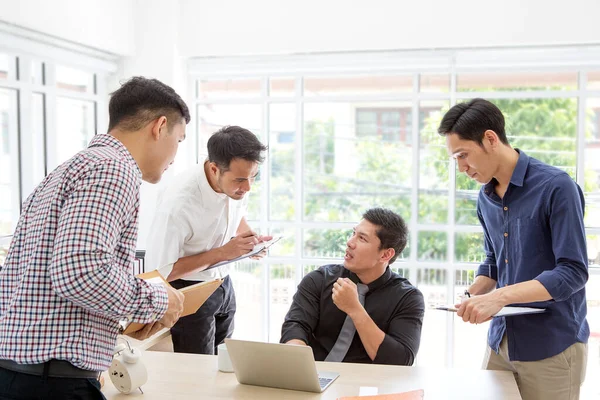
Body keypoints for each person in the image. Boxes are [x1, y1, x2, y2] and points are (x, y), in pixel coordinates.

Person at [0, 76, 190, 400]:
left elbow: (56, 281)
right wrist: (160, 301)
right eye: (180, 140)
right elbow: (80, 271)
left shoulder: (67, 169)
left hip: (20, 374)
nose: (175, 156)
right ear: (159, 127)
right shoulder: (114, 168)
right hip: (52, 384)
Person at [438, 98, 588, 400]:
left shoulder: (556, 187)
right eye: (455, 159)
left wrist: (498, 298)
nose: (461, 168)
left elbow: (572, 272)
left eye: (463, 155)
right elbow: (494, 262)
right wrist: (471, 297)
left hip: (552, 346)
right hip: (500, 342)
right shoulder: (486, 198)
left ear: (490, 139)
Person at [145, 125, 270, 355]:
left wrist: (250, 241)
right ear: (214, 169)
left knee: (224, 364)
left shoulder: (235, 184)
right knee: (198, 373)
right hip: (188, 289)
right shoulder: (179, 203)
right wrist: (224, 252)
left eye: (253, 177)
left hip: (223, 282)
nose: (248, 187)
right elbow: (161, 272)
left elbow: (236, 213)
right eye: (241, 180)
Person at [280, 208, 424, 366]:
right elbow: (296, 325)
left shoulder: (408, 298)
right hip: (314, 376)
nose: (350, 242)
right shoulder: (319, 280)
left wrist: (355, 310)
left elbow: (401, 361)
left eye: (362, 238)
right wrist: (299, 363)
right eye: (354, 233)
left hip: (371, 386)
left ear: (385, 255)